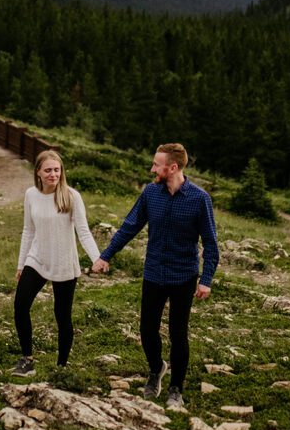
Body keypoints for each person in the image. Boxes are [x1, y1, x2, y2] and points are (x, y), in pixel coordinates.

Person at [91, 143, 219, 410]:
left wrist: (206, 279)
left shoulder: (199, 199)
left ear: (172, 167)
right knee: (147, 330)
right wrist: (105, 255)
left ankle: (176, 389)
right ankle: (156, 369)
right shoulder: (150, 193)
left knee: (178, 333)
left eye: (156, 164)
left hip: (183, 276)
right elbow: (130, 226)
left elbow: (210, 242)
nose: (151, 168)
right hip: (153, 273)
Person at [12, 149, 101, 377]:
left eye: (57, 170)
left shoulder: (71, 196)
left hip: (63, 262)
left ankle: (61, 367)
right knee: (21, 304)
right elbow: (27, 230)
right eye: (48, 170)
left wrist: (97, 258)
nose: (53, 174)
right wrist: (21, 264)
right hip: (37, 258)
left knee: (62, 315)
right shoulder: (31, 195)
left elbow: (83, 231)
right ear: (38, 172)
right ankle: (27, 359)